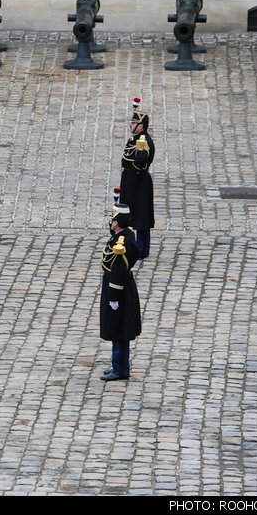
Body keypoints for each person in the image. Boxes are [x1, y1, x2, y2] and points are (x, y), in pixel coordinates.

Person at [99, 203, 142, 381]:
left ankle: (120, 368)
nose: (111, 223)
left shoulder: (121, 245)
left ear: (116, 223)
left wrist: (113, 297)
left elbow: (117, 273)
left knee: (119, 330)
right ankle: (119, 365)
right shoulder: (126, 235)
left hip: (119, 291)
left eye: (113, 220)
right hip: (125, 288)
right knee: (119, 329)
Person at [119, 98, 155, 259]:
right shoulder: (136, 138)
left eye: (133, 123)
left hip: (138, 181)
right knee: (130, 214)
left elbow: (142, 161)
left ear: (141, 125)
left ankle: (141, 249)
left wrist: (133, 169)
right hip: (130, 181)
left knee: (140, 217)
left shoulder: (143, 140)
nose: (130, 125)